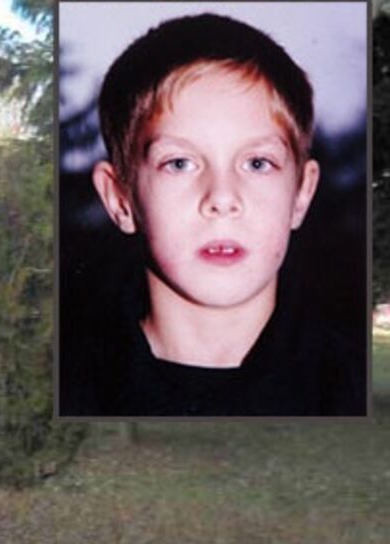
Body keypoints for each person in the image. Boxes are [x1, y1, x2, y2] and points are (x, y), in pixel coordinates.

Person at [61, 13, 364, 416]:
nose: (222, 198)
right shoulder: (68, 390)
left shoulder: (354, 392)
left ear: (301, 195)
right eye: (180, 163)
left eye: (257, 163)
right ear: (119, 199)